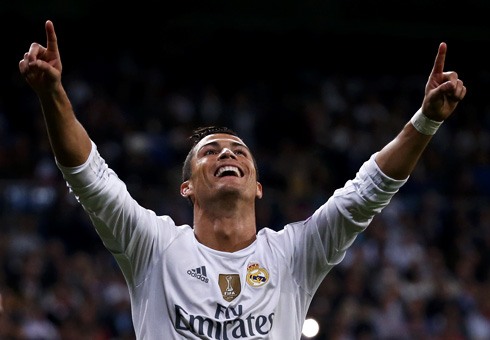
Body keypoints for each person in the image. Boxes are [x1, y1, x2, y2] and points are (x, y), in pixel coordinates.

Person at [19, 20, 466, 339]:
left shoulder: (293, 255)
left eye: (238, 151)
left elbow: (367, 193)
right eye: (209, 152)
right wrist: (53, 94)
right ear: (187, 186)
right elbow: (90, 179)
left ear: (257, 185)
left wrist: (425, 121)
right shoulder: (154, 247)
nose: (226, 153)